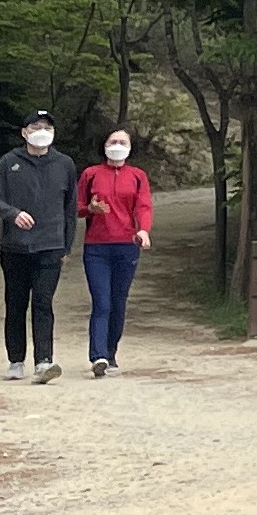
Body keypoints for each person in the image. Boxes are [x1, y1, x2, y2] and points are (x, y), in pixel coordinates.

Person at [0, 110, 79, 382]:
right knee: (15, 303)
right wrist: (12, 214)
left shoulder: (64, 164)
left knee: (43, 302)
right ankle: (16, 360)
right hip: (15, 247)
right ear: (24, 132)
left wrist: (66, 246)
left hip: (50, 246)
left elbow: (70, 209)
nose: (41, 132)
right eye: (36, 127)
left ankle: (44, 361)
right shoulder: (9, 162)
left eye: (47, 127)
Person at [77, 128, 153, 377]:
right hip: (96, 247)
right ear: (104, 145)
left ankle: (110, 352)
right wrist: (90, 209)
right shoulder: (91, 174)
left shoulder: (137, 176)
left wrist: (143, 230)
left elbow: (143, 206)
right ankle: (97, 355)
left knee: (118, 302)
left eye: (122, 142)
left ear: (130, 147)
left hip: (126, 246)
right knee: (102, 302)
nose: (117, 145)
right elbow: (76, 207)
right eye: (112, 141)